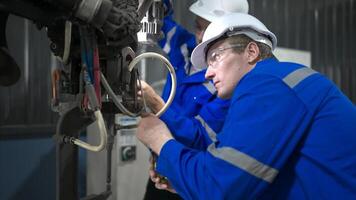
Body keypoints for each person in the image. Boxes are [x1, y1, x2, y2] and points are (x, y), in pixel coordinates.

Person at [137, 12, 356, 199]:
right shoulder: (275, 84)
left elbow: (220, 187)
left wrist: (161, 141)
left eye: (215, 57)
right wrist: (182, 181)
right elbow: (249, 181)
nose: (208, 72)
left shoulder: (268, 84)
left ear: (251, 52)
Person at [140, 0, 248, 199]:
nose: (200, 37)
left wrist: (156, 104)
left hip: (190, 173)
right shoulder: (185, 48)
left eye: (208, 31)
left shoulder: (231, 85)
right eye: (198, 27)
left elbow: (200, 136)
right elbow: (162, 20)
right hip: (162, 164)